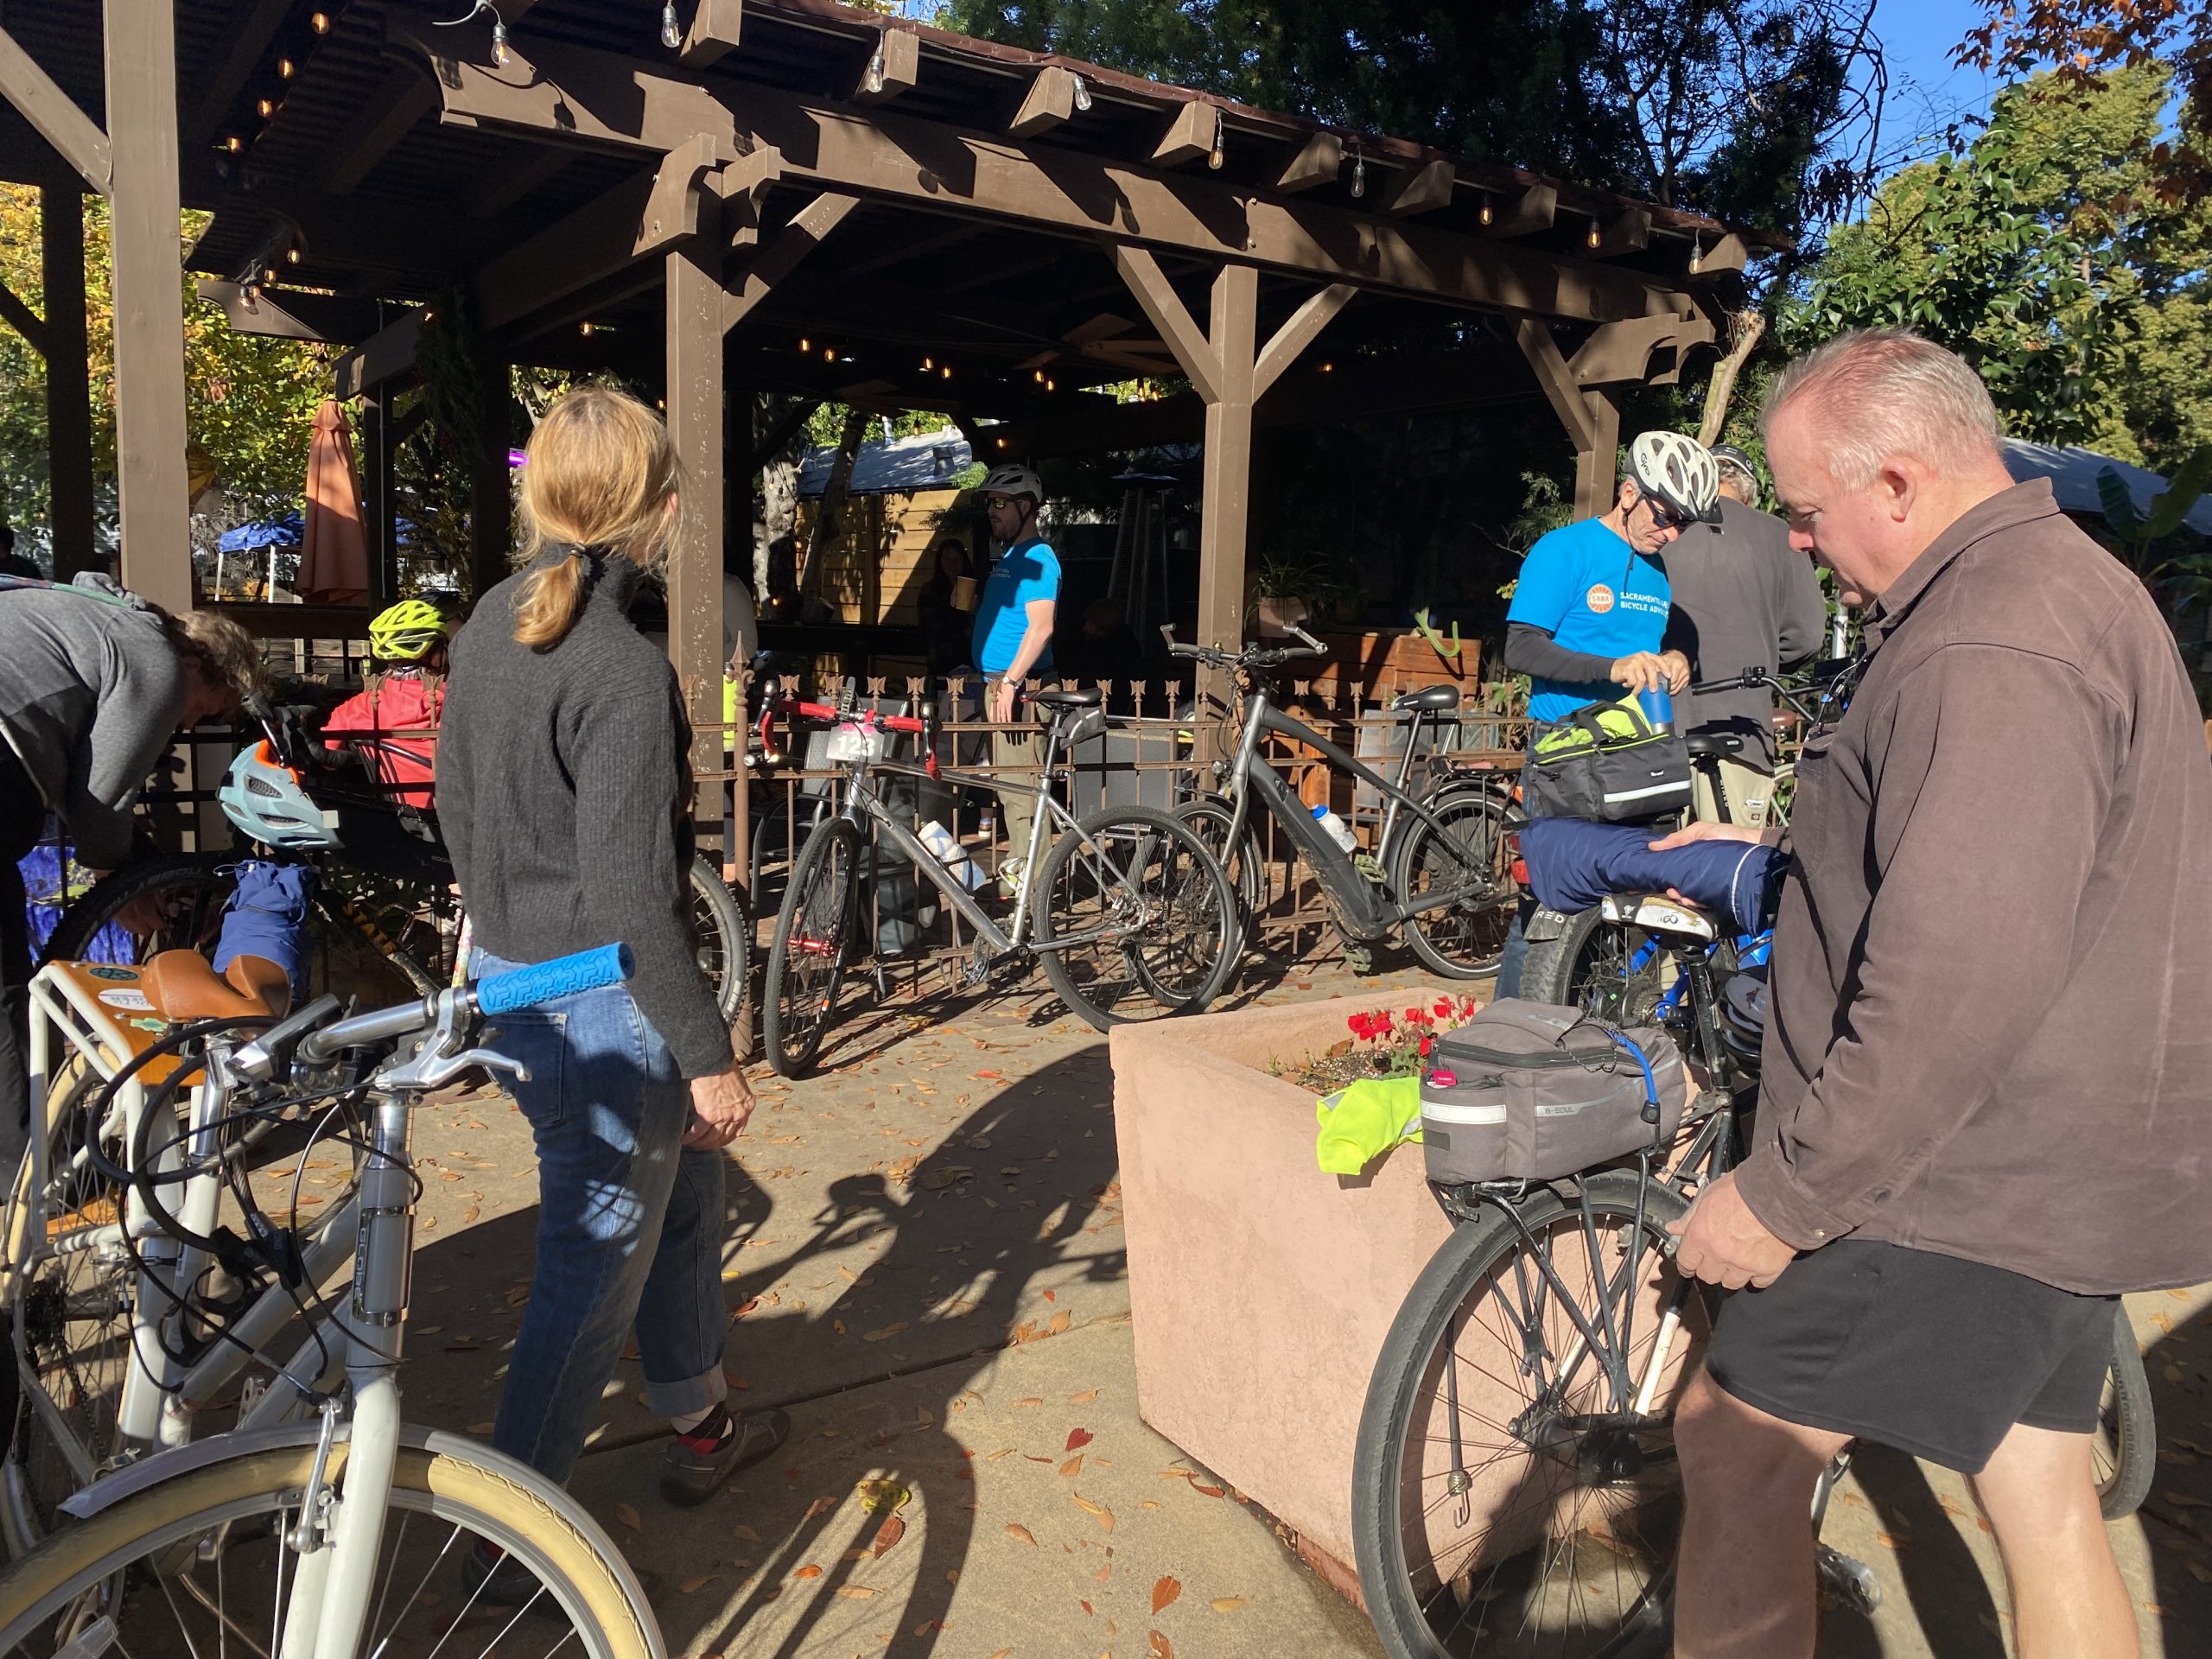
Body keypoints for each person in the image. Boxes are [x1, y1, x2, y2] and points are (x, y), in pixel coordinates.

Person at [1657, 328, 2212, 1659]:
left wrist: (1784, 1198)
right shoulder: (2054, 592)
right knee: (2039, 1492)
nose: (1795, 541)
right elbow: (1986, 867)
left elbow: (1958, 971)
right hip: (2052, 1164)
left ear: (1897, 484)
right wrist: (1773, 858)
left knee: (1732, 1451)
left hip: (1953, 1178)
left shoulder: (1994, 638)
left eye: (1804, 511)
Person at [436, 386, 789, 1592]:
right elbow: (638, 899)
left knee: (682, 1191)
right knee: (591, 1271)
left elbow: (451, 812)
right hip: (603, 997)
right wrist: (709, 1054)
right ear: (664, 512)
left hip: (512, 980)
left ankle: (698, 1419)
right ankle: (507, 1554)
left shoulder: (488, 623)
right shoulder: (622, 670)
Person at [0, 572, 265, 1170]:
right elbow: (102, 795)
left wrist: (120, 860)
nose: (187, 728)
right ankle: (27, 1177)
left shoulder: (86, 616)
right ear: (202, 665)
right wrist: (115, 881)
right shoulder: (155, 658)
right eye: (206, 712)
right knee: (2, 987)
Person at [1494, 430, 1721, 994]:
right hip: (1564, 753)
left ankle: (1609, 1034)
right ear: (1627, 492)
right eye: (1664, 517)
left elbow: (1659, 638)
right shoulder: (1564, 551)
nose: (1669, 534)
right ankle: (1507, 1040)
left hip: (1634, 752)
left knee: (1632, 900)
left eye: (1681, 526)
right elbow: (1521, 648)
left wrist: (1678, 656)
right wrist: (1612, 668)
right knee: (1548, 902)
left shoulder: (1657, 570)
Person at [1658, 442, 1828, 827]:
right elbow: (1808, 635)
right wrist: (1761, 660)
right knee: (1729, 865)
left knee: (1659, 866)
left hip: (1660, 724)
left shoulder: (1663, 532)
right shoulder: (1780, 536)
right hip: (1741, 727)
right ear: (1750, 492)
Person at [970, 464, 1059, 891]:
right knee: (1011, 788)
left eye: (1000, 502)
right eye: (989, 502)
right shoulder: (1012, 557)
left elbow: (1042, 627)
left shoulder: (1039, 557)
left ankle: (1033, 887)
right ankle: (1028, 877)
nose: (992, 510)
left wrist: (1010, 681)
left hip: (1021, 689)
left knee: (1021, 790)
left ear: (1026, 507)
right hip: (1002, 685)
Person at [320, 598, 450, 810]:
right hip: (458, 815)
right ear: (435, 653)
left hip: (394, 815)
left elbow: (328, 760)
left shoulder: (355, 708)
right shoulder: (457, 702)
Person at [916, 537, 976, 677]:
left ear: (964, 561)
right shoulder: (930, 590)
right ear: (940, 562)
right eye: (947, 559)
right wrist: (963, 629)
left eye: (957, 559)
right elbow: (929, 626)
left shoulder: (974, 587)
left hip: (971, 660)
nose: (952, 564)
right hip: (941, 660)